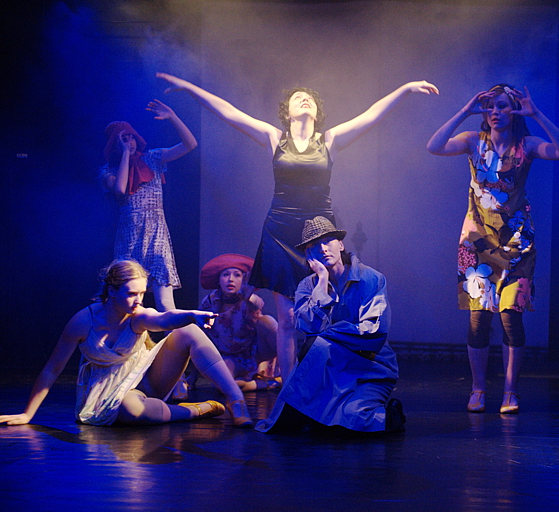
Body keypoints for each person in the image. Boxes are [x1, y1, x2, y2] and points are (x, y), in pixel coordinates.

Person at [155, 72, 438, 380]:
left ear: (317, 112)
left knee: (325, 311)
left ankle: (327, 380)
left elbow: (371, 115)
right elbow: (228, 112)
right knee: (288, 318)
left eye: (310, 99)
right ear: (287, 112)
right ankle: (289, 388)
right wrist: (189, 87)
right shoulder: (273, 137)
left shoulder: (329, 140)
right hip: (280, 232)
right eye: (297, 97)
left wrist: (405, 89)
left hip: (319, 235)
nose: (305, 99)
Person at [427, 84, 559, 414]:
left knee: (510, 316)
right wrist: (465, 111)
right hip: (477, 241)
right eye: (491, 106)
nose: (495, 112)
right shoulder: (473, 141)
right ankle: (478, 389)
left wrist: (536, 114)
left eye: (503, 106)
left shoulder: (526, 145)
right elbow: (434, 146)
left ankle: (511, 392)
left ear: (515, 111)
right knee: (478, 319)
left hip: (517, 242)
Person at [0, 260, 254, 428]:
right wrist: (27, 414)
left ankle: (236, 400)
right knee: (132, 411)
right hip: (109, 393)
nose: (138, 300)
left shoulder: (137, 315)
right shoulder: (83, 322)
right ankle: (195, 411)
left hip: (147, 380)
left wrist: (192, 315)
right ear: (112, 290)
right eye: (131, 293)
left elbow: (163, 319)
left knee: (188, 331)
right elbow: (52, 369)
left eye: (141, 293)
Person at [255, 217, 405, 434]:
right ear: (308, 255)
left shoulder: (371, 279)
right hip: (328, 366)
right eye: (314, 246)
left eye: (327, 241)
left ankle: (391, 417)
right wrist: (322, 281)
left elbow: (374, 332)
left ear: (341, 244)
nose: (323, 249)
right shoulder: (307, 286)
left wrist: (329, 334)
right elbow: (309, 328)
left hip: (369, 366)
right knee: (317, 424)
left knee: (353, 421)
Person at [99, 99, 197, 312]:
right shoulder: (108, 172)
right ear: (115, 144)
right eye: (123, 139)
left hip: (156, 234)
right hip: (130, 237)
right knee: (131, 304)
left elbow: (190, 145)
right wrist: (126, 154)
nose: (130, 142)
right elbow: (120, 189)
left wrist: (173, 117)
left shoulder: (152, 158)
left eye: (131, 137)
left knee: (166, 303)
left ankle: (179, 335)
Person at [197, 253, 280, 391]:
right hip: (229, 357)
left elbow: (257, 304)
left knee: (267, 321)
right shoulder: (210, 301)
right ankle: (260, 384)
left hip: (255, 352)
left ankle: (293, 374)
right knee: (222, 384)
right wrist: (192, 377)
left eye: (237, 275)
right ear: (219, 280)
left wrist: (248, 299)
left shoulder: (249, 299)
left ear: (244, 279)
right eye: (225, 275)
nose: (230, 279)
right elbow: (200, 335)